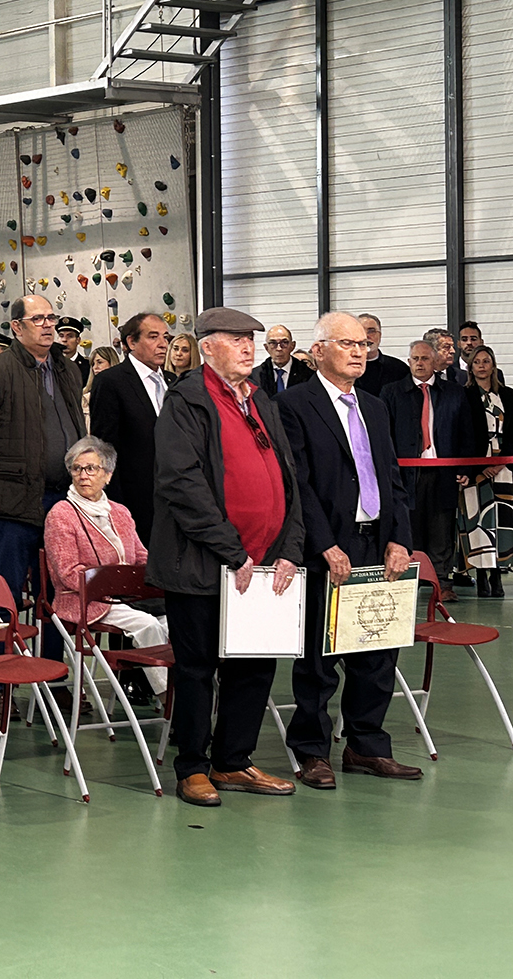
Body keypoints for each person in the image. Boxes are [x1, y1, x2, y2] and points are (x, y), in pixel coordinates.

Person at [150, 306, 303, 808]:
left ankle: (234, 761)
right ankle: (192, 767)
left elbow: (288, 482)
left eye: (250, 340)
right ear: (207, 345)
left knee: (255, 667)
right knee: (197, 668)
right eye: (236, 339)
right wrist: (233, 551)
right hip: (204, 564)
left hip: (264, 566)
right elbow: (182, 484)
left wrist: (287, 551)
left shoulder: (260, 399)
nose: (247, 347)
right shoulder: (187, 399)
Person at [275, 312, 421, 788]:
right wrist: (325, 545)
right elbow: (297, 485)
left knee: (378, 651)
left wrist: (400, 537)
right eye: (347, 343)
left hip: (378, 543)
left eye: (363, 343)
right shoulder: (293, 404)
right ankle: (312, 751)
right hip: (329, 547)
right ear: (319, 350)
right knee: (320, 658)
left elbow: (392, 479)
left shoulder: (375, 407)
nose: (359, 351)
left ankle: (365, 745)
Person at [0, 293, 84, 663]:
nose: (48, 325)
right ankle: (0, 679)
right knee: (6, 595)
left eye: (51, 318)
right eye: (38, 319)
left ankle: (53, 671)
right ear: (16, 327)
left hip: (63, 502)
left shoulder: (68, 370)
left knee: (59, 592)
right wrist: (2, 476)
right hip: (11, 505)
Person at [44, 435, 169, 697]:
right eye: (77, 468)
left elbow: (140, 557)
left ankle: (166, 686)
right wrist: (114, 582)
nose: (83, 475)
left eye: (91, 468)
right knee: (148, 625)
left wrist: (150, 579)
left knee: (174, 622)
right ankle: (169, 694)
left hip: (125, 597)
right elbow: (68, 574)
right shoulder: (61, 513)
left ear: (108, 475)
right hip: (85, 600)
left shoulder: (120, 512)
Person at [381, 341, 480, 602]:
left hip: (443, 473)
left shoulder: (453, 393)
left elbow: (465, 433)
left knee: (441, 528)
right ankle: (408, 579)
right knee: (408, 527)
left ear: (435, 361)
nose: (420, 363)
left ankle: (443, 582)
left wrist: (466, 467)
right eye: (415, 358)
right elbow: (384, 437)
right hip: (405, 474)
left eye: (425, 358)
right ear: (409, 361)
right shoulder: (391, 393)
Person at [89, 312, 173, 550]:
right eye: (153, 336)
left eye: (165, 337)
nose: (163, 344)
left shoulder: (173, 381)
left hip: (173, 498)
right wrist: (116, 507)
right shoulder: (111, 382)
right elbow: (104, 446)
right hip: (134, 499)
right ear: (131, 342)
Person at [462, 345, 511, 598]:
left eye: (486, 361)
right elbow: (462, 434)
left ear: (493, 365)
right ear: (470, 367)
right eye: (477, 362)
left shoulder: (509, 396)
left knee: (501, 521)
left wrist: (500, 462)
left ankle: (497, 574)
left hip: (504, 469)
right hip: (476, 470)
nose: (482, 365)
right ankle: (480, 574)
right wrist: (481, 466)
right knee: (479, 521)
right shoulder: (464, 396)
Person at [356, 313, 410, 397]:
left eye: (371, 331)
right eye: (361, 331)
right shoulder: (342, 369)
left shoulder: (399, 369)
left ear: (380, 335)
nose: (366, 336)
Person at [252, 324, 311, 396]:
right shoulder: (254, 377)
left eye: (284, 342)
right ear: (266, 348)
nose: (279, 348)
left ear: (292, 346)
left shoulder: (308, 375)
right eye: (273, 343)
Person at [57, 316, 90, 384]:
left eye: (70, 336)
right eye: (61, 336)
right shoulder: (52, 364)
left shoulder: (87, 366)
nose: (64, 340)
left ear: (78, 340)